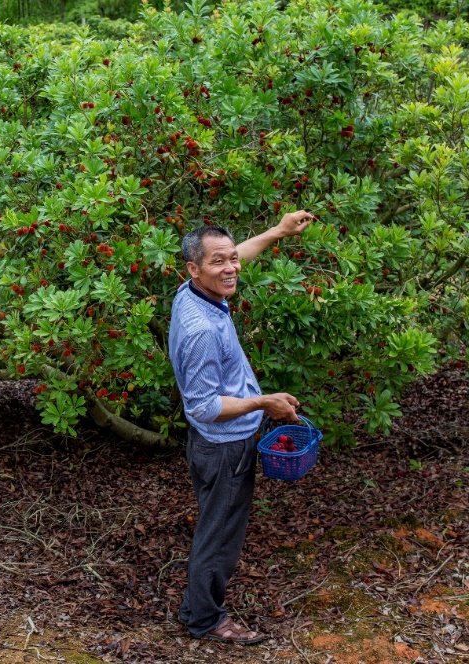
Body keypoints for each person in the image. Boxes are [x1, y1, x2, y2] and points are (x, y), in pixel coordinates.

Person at [168, 210, 314, 644]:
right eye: (218, 261)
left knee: (214, 526)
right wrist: (263, 403)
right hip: (225, 448)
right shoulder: (201, 330)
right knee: (220, 537)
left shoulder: (194, 292)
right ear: (194, 268)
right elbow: (204, 406)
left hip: (213, 445)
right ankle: (206, 621)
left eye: (232, 258)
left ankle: (196, 607)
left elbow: (234, 259)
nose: (231, 267)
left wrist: (278, 231)